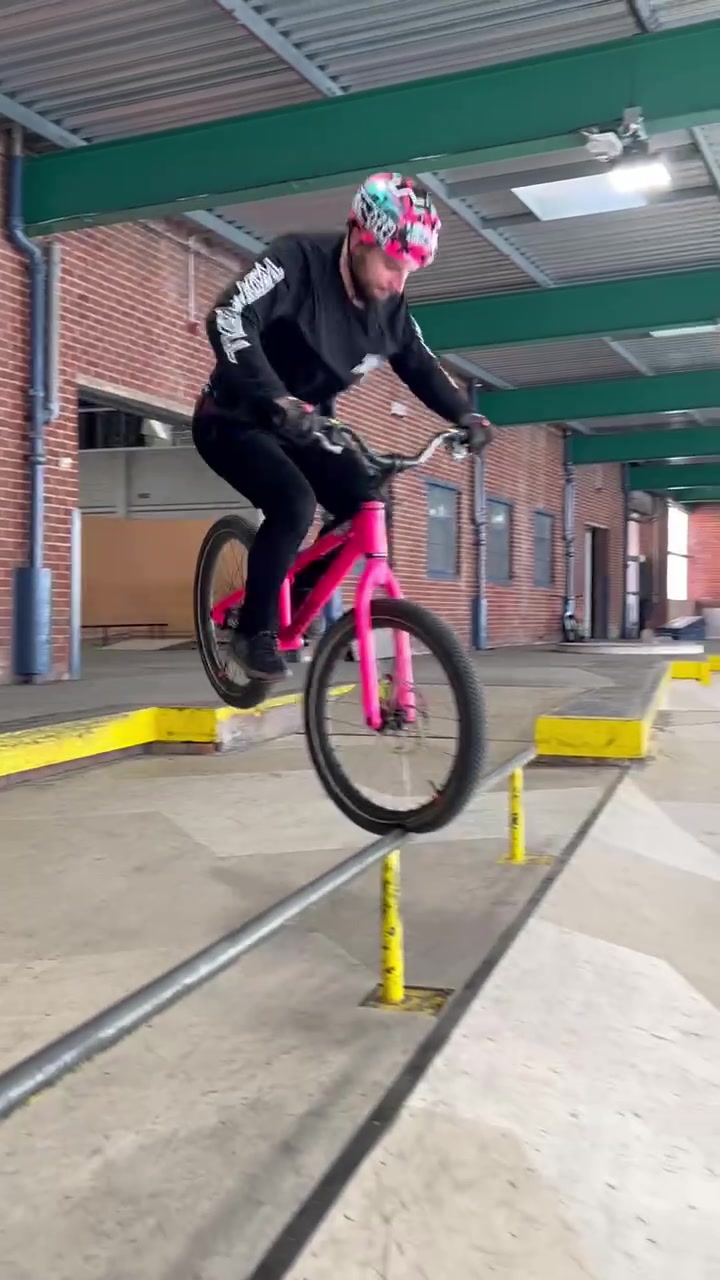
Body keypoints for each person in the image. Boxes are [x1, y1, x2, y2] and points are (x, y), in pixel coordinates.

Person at [192, 172, 493, 681]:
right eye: (392, 264)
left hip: (303, 426)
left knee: (366, 502)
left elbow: (419, 362)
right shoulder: (296, 261)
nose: (398, 282)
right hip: (233, 419)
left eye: (410, 270)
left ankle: (298, 593)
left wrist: (466, 415)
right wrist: (275, 398)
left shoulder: (390, 307)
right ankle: (253, 629)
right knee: (294, 503)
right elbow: (229, 316)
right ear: (358, 237)